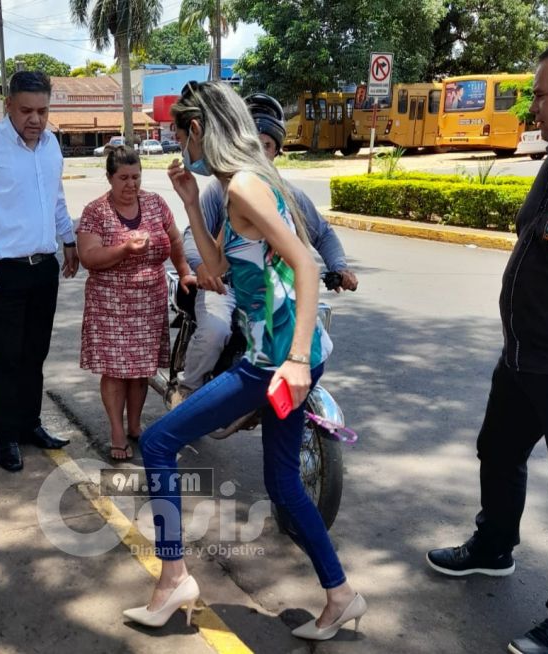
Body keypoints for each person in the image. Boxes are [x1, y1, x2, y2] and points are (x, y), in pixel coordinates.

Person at [125, 81, 366, 640]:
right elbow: (216, 272)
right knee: (282, 483)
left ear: (201, 130)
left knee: (159, 443)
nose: (174, 142)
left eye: (179, 130)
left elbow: (307, 264)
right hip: (277, 357)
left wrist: (297, 361)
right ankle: (341, 595)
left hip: (273, 361)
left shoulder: (247, 188)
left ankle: (173, 579)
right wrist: (188, 201)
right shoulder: (234, 187)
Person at [426, 36, 548, 654]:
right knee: (498, 449)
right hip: (521, 358)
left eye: (542, 96)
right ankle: (493, 546)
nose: (533, 109)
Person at [171, 93, 358, 403]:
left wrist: (339, 267)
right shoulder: (224, 191)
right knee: (216, 332)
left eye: (266, 146)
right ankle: (188, 391)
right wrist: (202, 267)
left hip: (272, 300)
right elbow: (197, 239)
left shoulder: (284, 193)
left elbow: (320, 235)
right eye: (253, 143)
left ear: (276, 152)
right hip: (227, 288)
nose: (258, 152)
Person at [0, 71, 79, 474]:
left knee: (34, 355)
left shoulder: (51, 146)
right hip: (1, 271)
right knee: (6, 358)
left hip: (43, 268)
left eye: (43, 110)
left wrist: (69, 240)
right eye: (26, 110)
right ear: (8, 105)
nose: (35, 119)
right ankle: (5, 436)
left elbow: (57, 198)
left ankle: (30, 424)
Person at [77, 146, 194, 461]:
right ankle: (117, 430)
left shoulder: (155, 204)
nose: (131, 184)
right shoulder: (95, 211)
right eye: (124, 178)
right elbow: (89, 257)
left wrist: (184, 271)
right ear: (110, 178)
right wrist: (124, 250)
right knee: (116, 370)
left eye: (136, 177)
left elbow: (175, 240)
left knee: (140, 370)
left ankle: (135, 424)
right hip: (110, 304)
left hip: (149, 301)